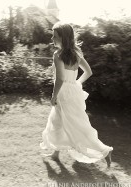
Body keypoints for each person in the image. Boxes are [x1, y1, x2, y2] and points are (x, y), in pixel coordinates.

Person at [40, 21, 113, 168]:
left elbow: (60, 79)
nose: (52, 39)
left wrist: (54, 96)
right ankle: (55, 154)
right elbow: (89, 72)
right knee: (57, 122)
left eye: (55, 36)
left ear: (63, 38)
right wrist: (76, 84)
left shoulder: (57, 55)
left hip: (63, 93)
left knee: (75, 126)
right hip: (73, 91)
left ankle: (104, 151)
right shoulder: (76, 52)